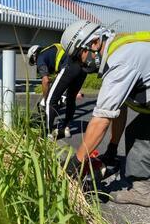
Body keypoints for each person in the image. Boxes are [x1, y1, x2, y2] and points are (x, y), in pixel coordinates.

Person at [60, 20, 150, 207]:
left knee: (139, 132)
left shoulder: (120, 60)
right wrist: (112, 149)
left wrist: (75, 163)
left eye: (78, 56)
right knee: (137, 131)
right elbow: (119, 108)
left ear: (94, 43)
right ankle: (142, 191)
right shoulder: (118, 51)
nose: (79, 63)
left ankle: (142, 191)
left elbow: (102, 119)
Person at [27, 43, 86, 139]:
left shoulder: (40, 57)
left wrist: (46, 99)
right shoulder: (52, 49)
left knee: (50, 101)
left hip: (69, 66)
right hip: (82, 68)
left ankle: (47, 134)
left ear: (34, 55)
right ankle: (65, 129)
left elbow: (45, 81)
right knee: (71, 99)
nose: (36, 64)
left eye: (33, 61)